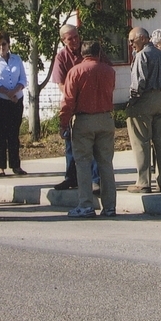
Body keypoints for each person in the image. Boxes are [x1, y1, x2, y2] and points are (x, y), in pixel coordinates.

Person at [58, 41, 117, 217]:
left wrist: (63, 123)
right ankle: (110, 206)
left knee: (82, 163)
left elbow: (68, 100)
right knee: (106, 163)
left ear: (83, 54)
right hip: (106, 117)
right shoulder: (109, 71)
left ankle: (85, 204)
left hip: (84, 119)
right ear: (99, 53)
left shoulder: (75, 71)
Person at [50, 24, 102, 194]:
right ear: (63, 40)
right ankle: (71, 178)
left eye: (76, 36)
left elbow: (105, 70)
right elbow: (61, 83)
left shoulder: (89, 51)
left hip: (92, 106)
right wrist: (72, 100)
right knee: (70, 144)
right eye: (70, 38)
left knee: (93, 144)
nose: (74, 40)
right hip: (73, 105)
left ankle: (96, 180)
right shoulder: (62, 57)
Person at [126, 27, 161, 193]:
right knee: (160, 142)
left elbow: (139, 82)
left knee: (141, 141)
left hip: (145, 98)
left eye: (133, 40)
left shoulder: (142, 55)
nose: (131, 44)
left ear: (144, 39)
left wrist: (133, 101)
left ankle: (143, 182)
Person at [0, 31, 28, 176]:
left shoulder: (17, 59)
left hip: (16, 100)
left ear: (8, 44)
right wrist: (7, 93)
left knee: (13, 133)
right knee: (0, 134)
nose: (1, 47)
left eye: (4, 44)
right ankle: (0, 166)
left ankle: (16, 165)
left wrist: (15, 92)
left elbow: (23, 79)